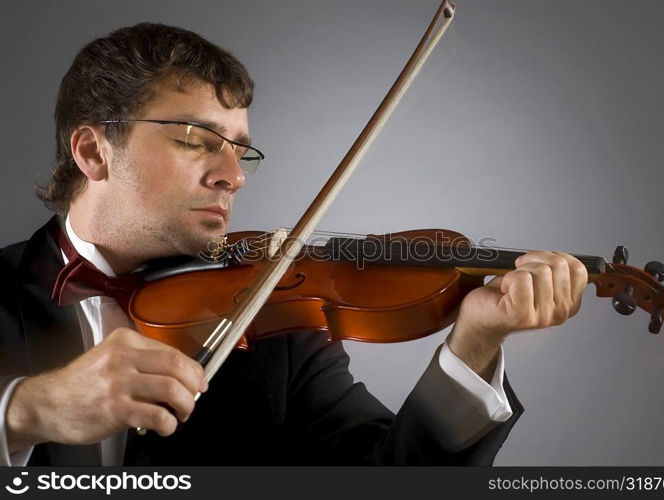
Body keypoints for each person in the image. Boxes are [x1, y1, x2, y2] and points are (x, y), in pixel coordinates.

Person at [0, 23, 587, 465]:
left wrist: (477, 342)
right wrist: (25, 412)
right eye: (197, 139)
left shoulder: (271, 322)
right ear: (93, 151)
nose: (233, 175)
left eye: (241, 149)